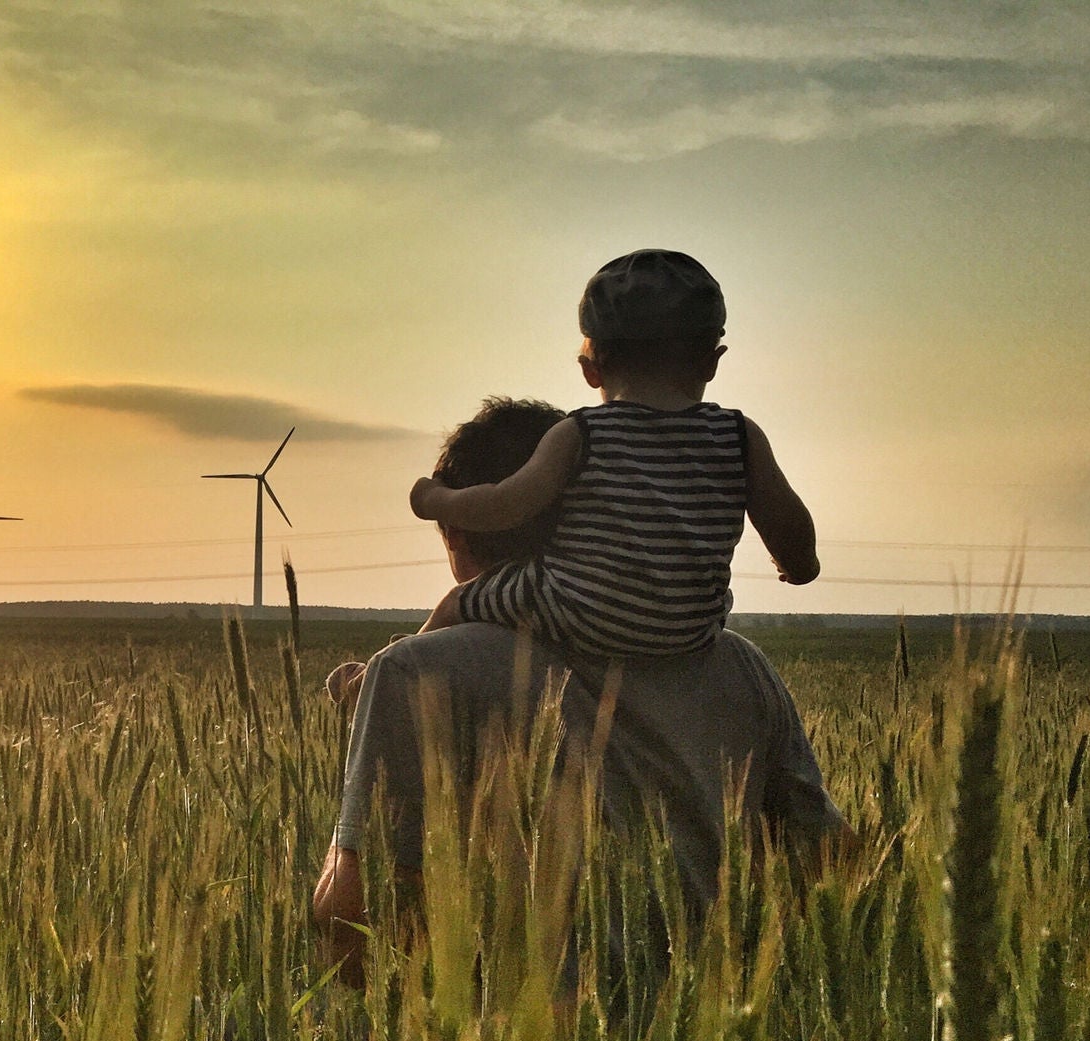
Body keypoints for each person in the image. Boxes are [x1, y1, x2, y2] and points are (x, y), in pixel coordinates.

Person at [313, 396, 849, 986]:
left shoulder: (412, 672)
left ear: (459, 529)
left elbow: (356, 923)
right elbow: (831, 865)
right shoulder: (739, 665)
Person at [407, 250, 820, 658]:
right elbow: (786, 519)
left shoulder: (580, 433)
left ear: (591, 370)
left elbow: (503, 505)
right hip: (691, 632)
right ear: (712, 361)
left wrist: (434, 500)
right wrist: (800, 566)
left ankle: (388, 672)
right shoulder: (739, 436)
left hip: (581, 614)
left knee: (458, 601)